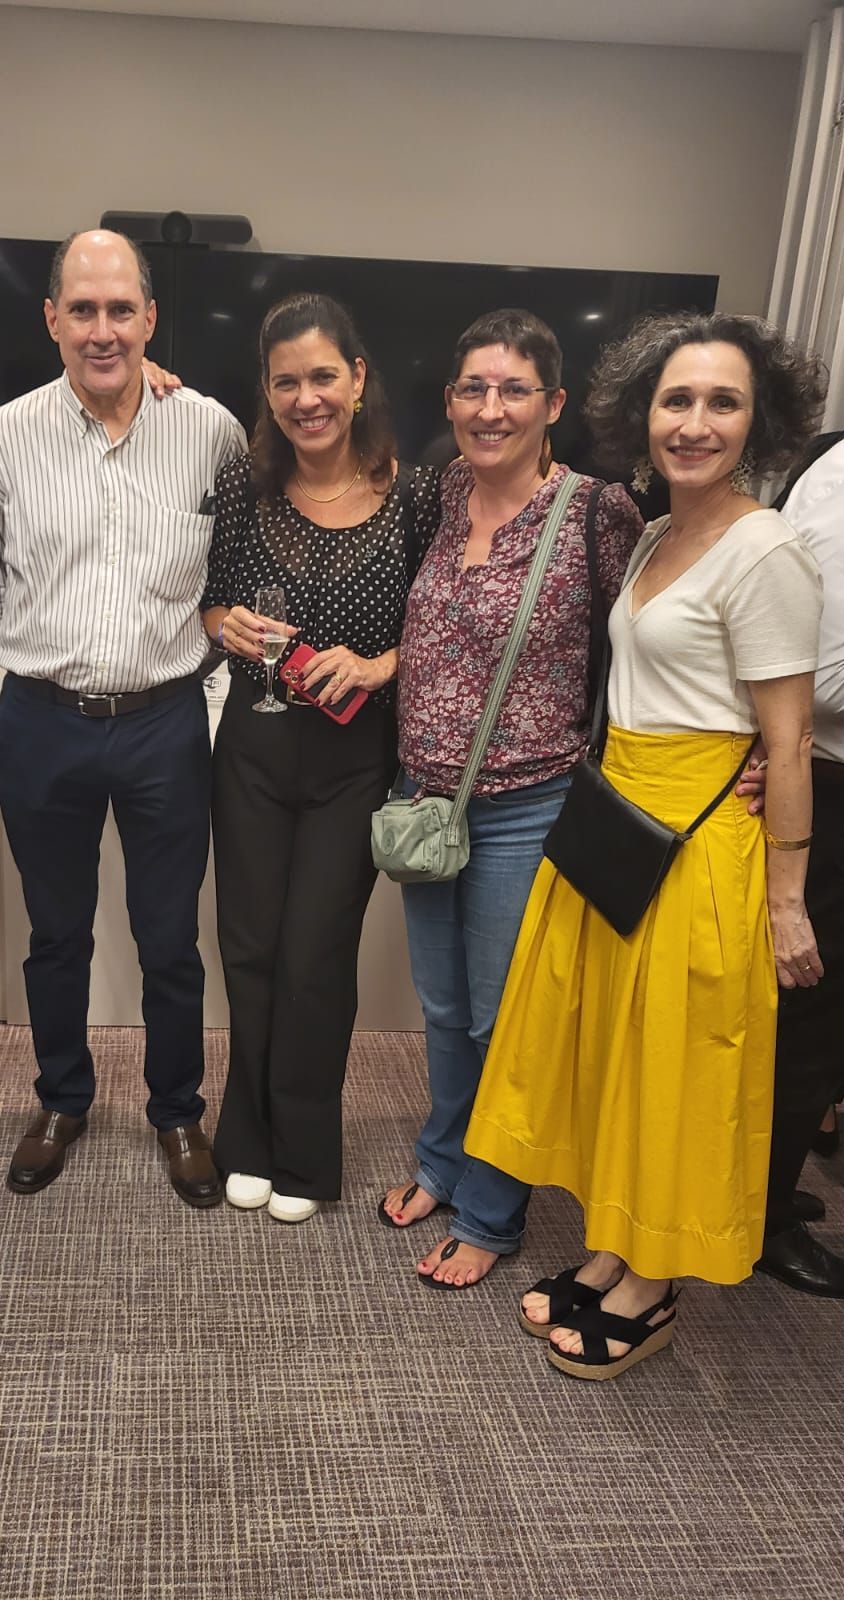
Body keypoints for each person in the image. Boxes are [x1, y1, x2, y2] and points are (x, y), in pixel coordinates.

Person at [467, 312, 825, 1378]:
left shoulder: (765, 549)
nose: (694, 423)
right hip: (622, 828)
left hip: (701, 845)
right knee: (617, 1054)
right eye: (676, 400)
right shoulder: (657, 532)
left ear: (759, 422)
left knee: (676, 1064)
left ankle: (654, 1284)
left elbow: (787, 741)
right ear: (643, 413)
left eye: (722, 403)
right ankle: (613, 1248)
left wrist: (786, 901)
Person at [0, 229, 246, 1208]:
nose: (102, 330)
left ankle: (176, 1111)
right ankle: (61, 1100)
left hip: (165, 724)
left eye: (120, 309)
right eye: (81, 309)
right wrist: (48, 662)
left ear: (150, 319)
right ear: (51, 319)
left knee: (169, 938)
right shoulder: (2, 439)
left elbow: (228, 572)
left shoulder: (208, 430)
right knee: (55, 935)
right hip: (42, 722)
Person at [376, 310, 643, 1284]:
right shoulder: (444, 491)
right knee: (443, 1008)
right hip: (425, 804)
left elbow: (643, 646)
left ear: (553, 403)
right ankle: (441, 1164)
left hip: (526, 807)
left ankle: (491, 1213)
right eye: (473, 389)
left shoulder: (593, 511)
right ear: (450, 401)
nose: (490, 409)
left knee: (503, 1020)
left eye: (513, 390)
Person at [201, 292, 440, 1222]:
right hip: (254, 745)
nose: (307, 398)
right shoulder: (243, 487)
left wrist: (378, 665)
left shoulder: (417, 495)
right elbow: (212, 604)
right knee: (249, 948)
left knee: (314, 955)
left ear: (359, 378)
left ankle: (305, 1152)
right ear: (267, 392)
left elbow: (446, 626)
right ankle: (245, 1140)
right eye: (286, 381)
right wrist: (228, 627)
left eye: (324, 376)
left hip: (354, 756)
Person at [754, 430, 844, 1296]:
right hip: (820, 779)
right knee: (808, 1009)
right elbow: (814, 685)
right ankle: (765, 1213)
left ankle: (766, 1189)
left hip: (809, 770)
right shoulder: (839, 473)